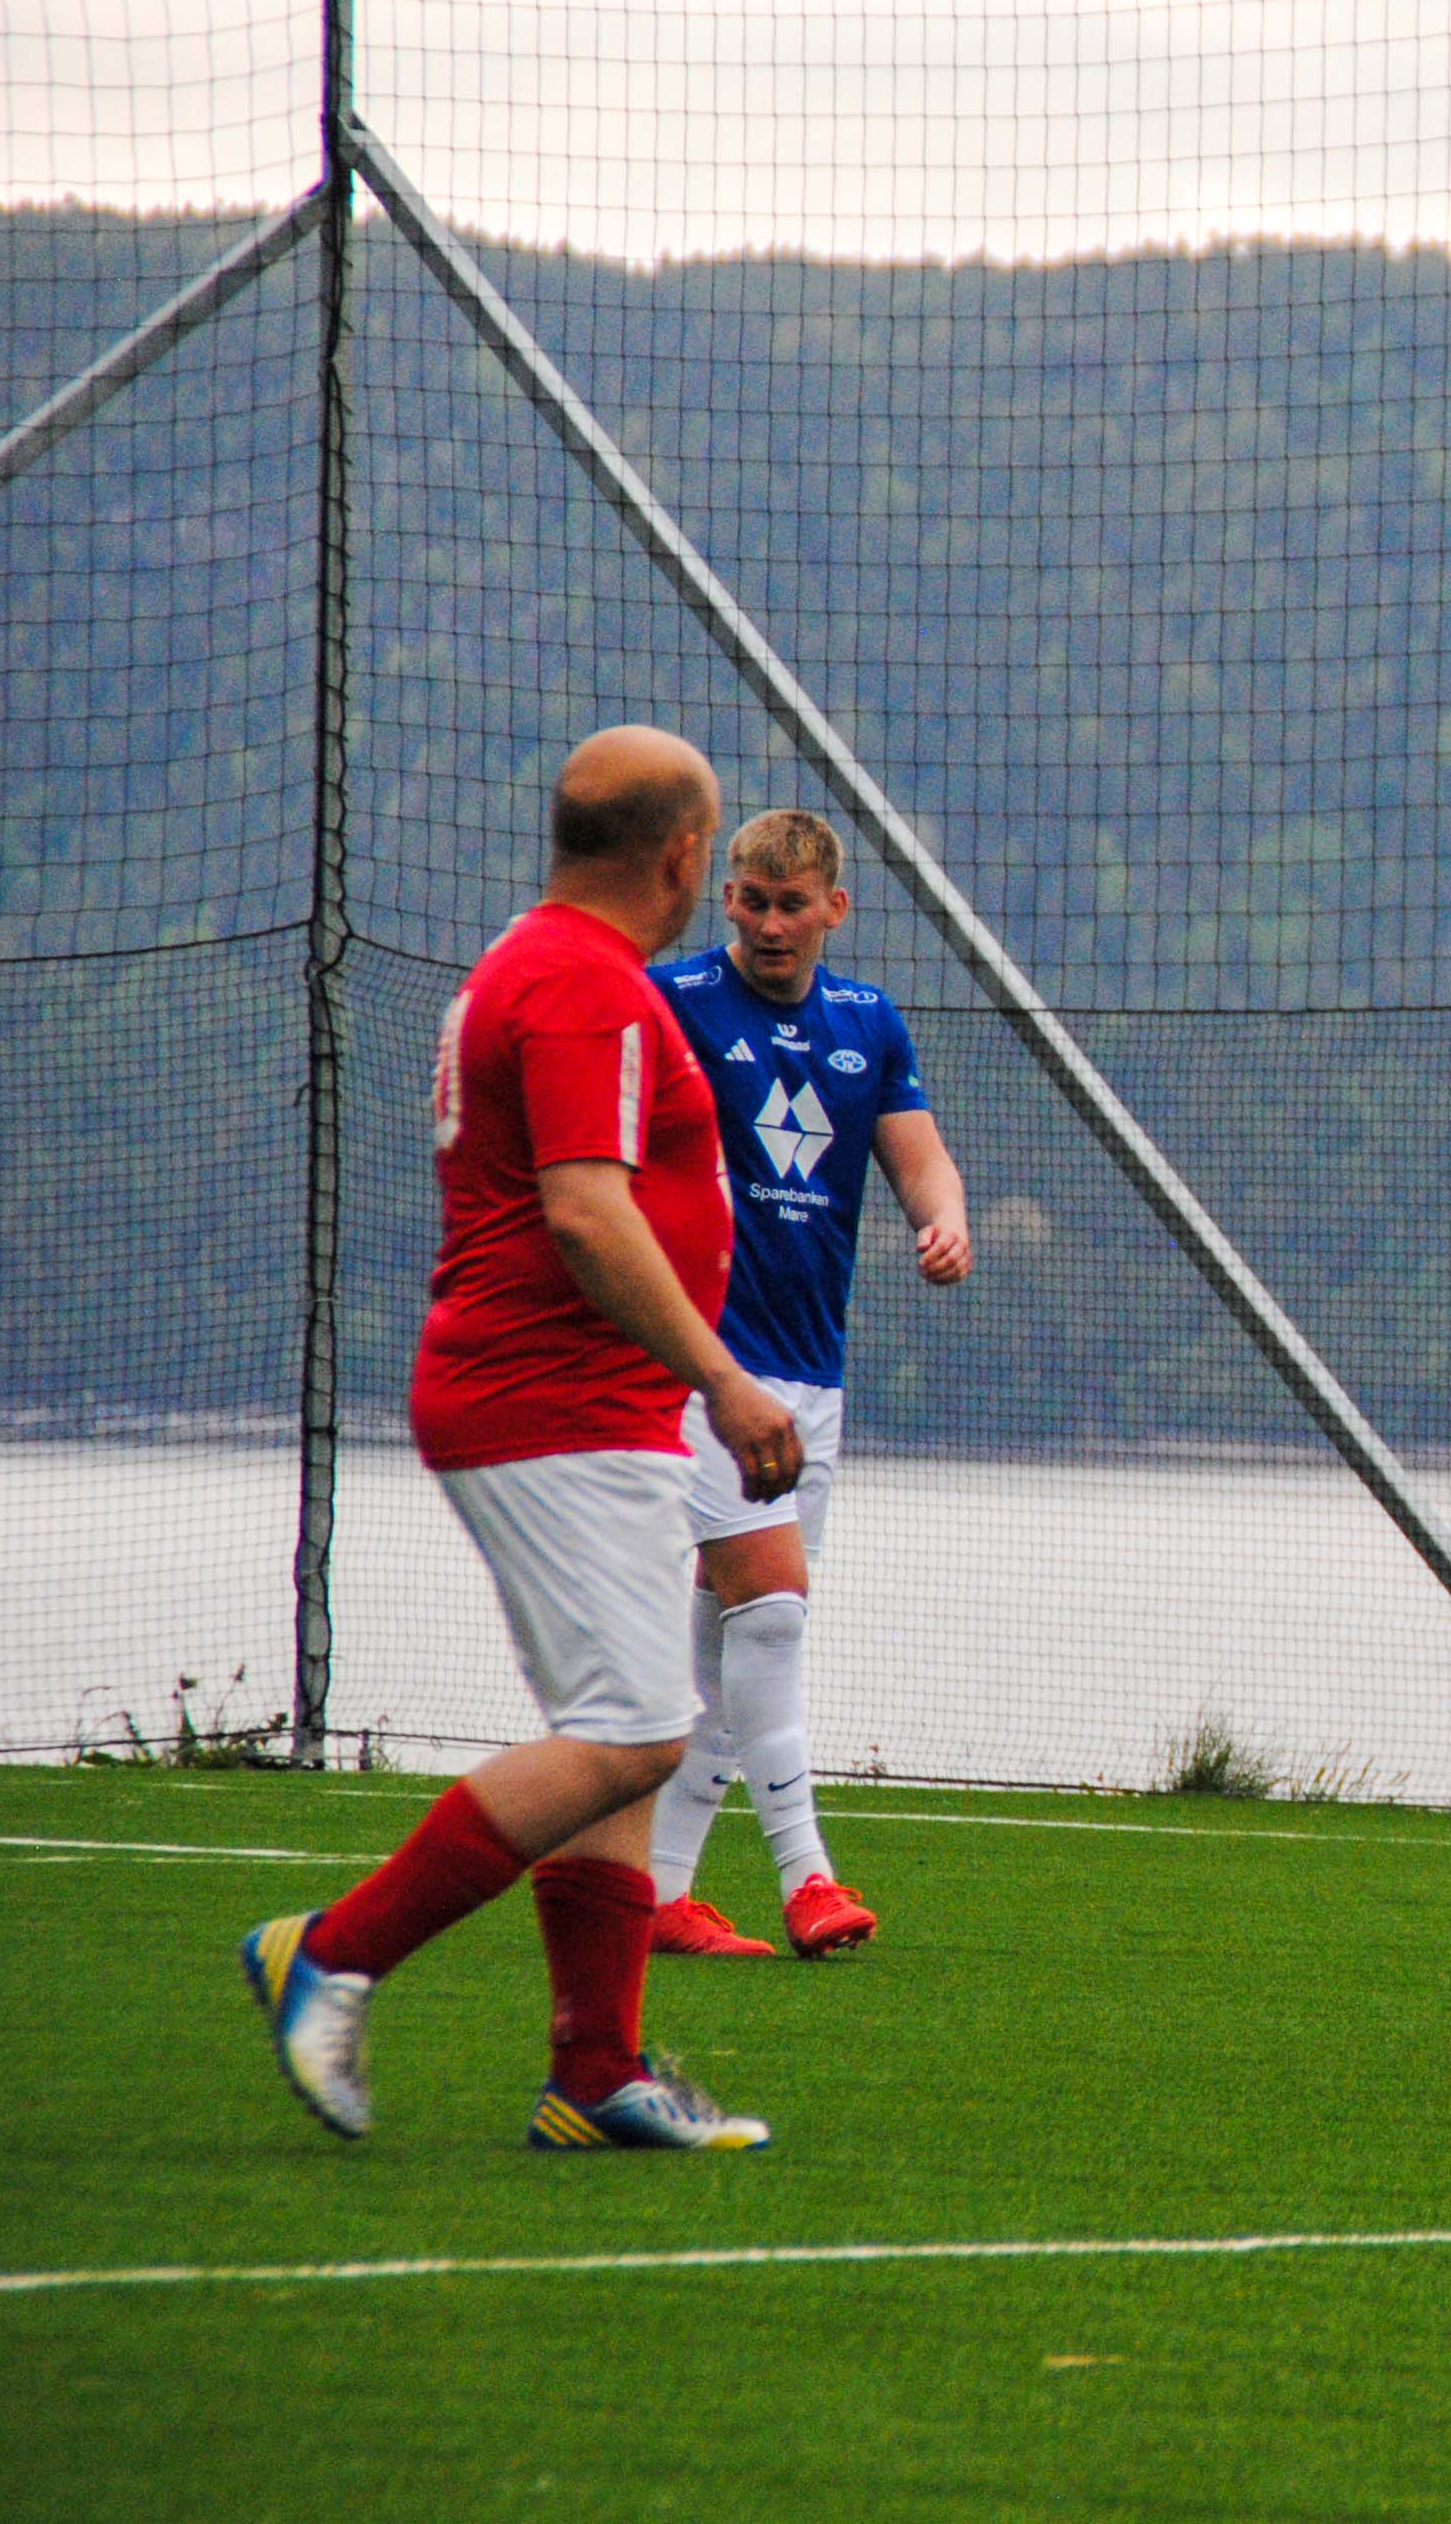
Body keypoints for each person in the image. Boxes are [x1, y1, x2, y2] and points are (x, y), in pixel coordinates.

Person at [240, 726, 799, 2150]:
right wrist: (724, 1380)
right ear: (684, 855)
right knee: (633, 1730)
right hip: (554, 1402)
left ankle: (595, 2075)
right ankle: (332, 1952)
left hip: (582, 1403)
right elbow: (586, 1210)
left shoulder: (534, 962)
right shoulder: (581, 984)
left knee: (624, 1730)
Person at [640, 807, 972, 1958]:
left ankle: (657, 1895)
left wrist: (943, 1221)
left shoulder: (867, 1022)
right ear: (725, 899)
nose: (770, 925)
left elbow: (918, 1156)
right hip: (702, 1366)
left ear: (834, 908)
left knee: (729, 1639)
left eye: (793, 905)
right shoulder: (673, 1002)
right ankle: (808, 1881)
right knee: (773, 1615)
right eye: (752, 901)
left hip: (811, 1373)